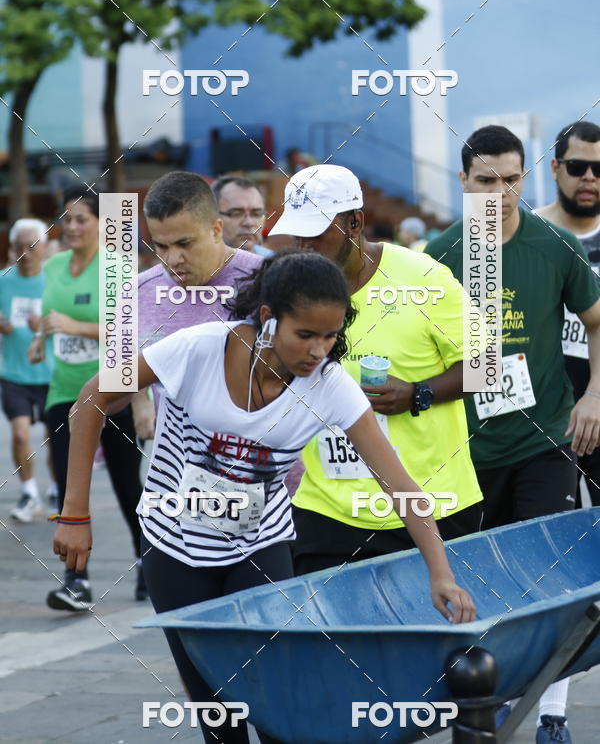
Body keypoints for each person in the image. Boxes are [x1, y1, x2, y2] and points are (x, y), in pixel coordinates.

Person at [53, 251, 475, 744]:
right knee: (219, 713)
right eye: (306, 335)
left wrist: (440, 573)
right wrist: (75, 513)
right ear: (270, 318)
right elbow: (92, 398)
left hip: (260, 547)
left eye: (330, 335)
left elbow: (400, 485)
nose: (319, 350)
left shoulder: (331, 387)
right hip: (173, 546)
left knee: (279, 701)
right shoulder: (197, 349)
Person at [426, 125, 600, 744]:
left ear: (526, 178)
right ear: (464, 181)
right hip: (467, 453)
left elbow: (597, 322)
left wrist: (594, 396)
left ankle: (552, 712)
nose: (500, 193)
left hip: (545, 440)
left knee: (552, 579)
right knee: (478, 584)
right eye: (486, 181)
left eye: (511, 180)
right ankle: (486, 700)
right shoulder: (440, 256)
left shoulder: (556, 246)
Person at [266, 164, 482, 573]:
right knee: (334, 636)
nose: (304, 244)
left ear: (355, 222)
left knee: (438, 633)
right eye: (298, 232)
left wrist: (419, 392)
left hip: (434, 501)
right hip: (328, 509)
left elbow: (485, 365)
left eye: (316, 232)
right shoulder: (289, 287)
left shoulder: (425, 278)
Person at [29, 186, 145, 610]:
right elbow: (50, 316)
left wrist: (74, 327)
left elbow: (130, 333)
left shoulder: (116, 267)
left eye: (83, 219)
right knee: (66, 485)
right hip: (63, 392)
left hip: (113, 391)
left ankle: (146, 563)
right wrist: (41, 339)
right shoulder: (55, 264)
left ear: (102, 224)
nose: (73, 226)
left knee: (126, 484)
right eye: (68, 219)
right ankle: (76, 581)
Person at [132, 171, 262, 442]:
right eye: (161, 247)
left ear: (216, 230)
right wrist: (139, 403)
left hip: (260, 463)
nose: (173, 259)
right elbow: (120, 371)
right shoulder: (139, 291)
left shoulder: (265, 278)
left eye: (184, 244)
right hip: (178, 469)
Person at [535, 121, 600, 508]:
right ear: (555, 168)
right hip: (543, 411)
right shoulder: (529, 232)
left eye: (599, 169)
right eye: (577, 168)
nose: (589, 177)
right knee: (552, 528)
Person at [0, 219, 55, 521]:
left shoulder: (56, 280)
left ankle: (57, 489)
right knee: (20, 435)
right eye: (20, 246)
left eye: (32, 246)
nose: (26, 252)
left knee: (55, 438)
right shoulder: (3, 280)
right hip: (14, 374)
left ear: (44, 248)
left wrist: (45, 327)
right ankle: (29, 491)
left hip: (51, 374)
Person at [212, 175, 272, 256]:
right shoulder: (193, 265)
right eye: (236, 214)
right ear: (212, 217)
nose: (249, 223)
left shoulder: (276, 264)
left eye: (257, 214)